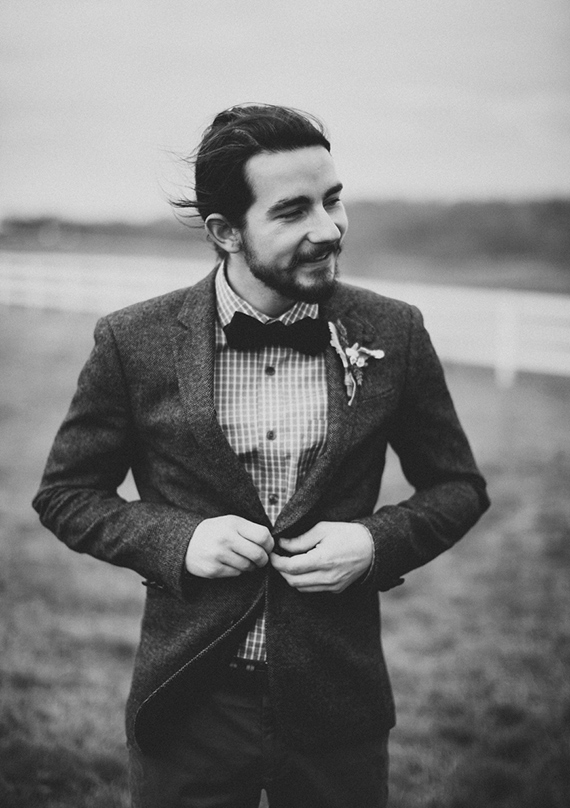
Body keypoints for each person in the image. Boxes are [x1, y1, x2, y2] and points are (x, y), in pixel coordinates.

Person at [33, 104, 490, 808]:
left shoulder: (393, 331)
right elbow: (66, 494)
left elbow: (458, 486)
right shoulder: (132, 341)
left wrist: (374, 543)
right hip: (187, 702)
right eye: (293, 211)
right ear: (226, 232)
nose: (328, 228)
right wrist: (179, 540)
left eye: (333, 199)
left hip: (338, 703)